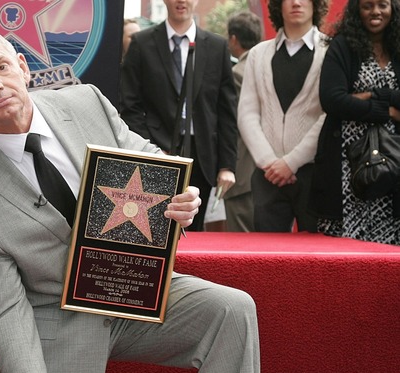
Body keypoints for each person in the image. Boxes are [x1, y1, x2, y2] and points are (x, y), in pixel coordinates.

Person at [0, 26, 260, 373]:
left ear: (22, 67)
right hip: (57, 317)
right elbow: (3, 309)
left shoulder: (87, 102)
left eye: (1, 67)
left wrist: (181, 195)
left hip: (135, 285)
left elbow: (148, 158)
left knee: (232, 310)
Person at [121, 0, 238, 231]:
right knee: (151, 229)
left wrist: (227, 165)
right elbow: (130, 106)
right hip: (157, 153)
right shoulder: (142, 43)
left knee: (193, 233)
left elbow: (226, 110)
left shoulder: (216, 46)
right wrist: (150, 149)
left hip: (202, 156)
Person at [237, 0, 329, 233]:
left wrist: (291, 162)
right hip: (267, 174)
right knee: (266, 260)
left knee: (317, 258)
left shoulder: (331, 50)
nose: (296, 3)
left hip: (315, 171)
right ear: (278, 6)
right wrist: (270, 162)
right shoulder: (258, 54)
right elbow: (247, 113)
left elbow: (329, 114)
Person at [313, 0, 400, 245]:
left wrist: (375, 95)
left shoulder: (398, 46)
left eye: (382, 5)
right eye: (367, 6)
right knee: (347, 250)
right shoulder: (342, 46)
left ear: (393, 9)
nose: (375, 12)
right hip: (347, 164)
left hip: (395, 163)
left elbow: (348, 100)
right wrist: (390, 112)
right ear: (356, 11)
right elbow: (332, 100)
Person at [224, 11, 263, 232]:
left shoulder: (238, 73)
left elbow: (236, 122)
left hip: (244, 171)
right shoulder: (266, 66)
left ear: (233, 39)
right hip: (269, 172)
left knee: (242, 239)